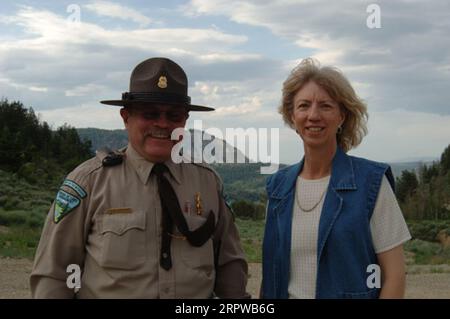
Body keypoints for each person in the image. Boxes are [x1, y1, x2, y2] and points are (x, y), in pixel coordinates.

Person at [30, 57, 249, 298]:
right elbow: (55, 273)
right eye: (150, 113)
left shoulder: (207, 182)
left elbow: (229, 264)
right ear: (126, 117)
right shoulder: (89, 182)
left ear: (185, 120)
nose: (162, 124)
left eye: (174, 116)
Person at [261, 58, 411, 299]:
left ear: (342, 115)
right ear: (292, 116)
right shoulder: (277, 188)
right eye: (304, 105)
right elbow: (271, 278)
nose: (313, 115)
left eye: (326, 106)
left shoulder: (371, 183)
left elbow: (394, 276)